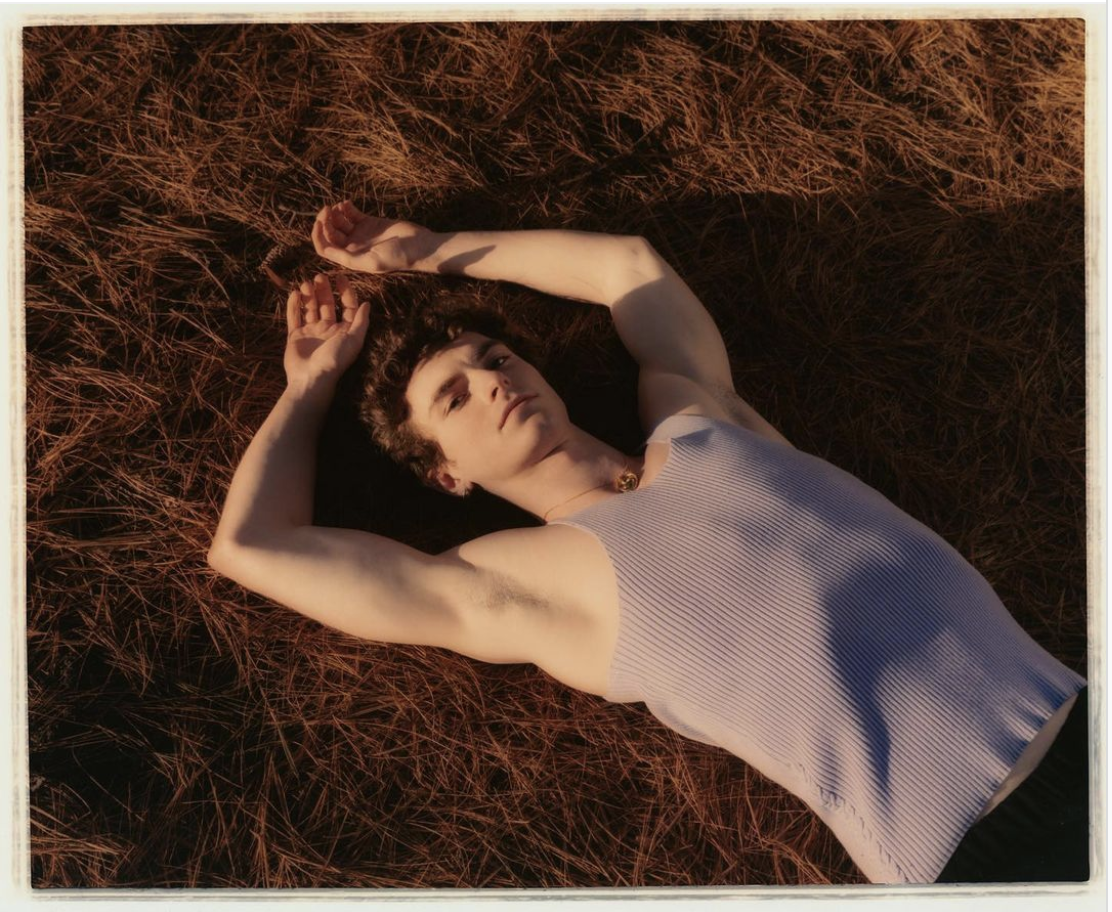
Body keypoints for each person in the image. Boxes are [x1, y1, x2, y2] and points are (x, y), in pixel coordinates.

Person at [208, 201, 1089, 885]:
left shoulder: (695, 414)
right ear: (446, 476)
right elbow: (251, 546)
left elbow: (626, 265)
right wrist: (309, 385)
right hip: (979, 854)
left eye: (495, 358)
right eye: (455, 398)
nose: (493, 382)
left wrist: (425, 250)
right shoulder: (526, 584)